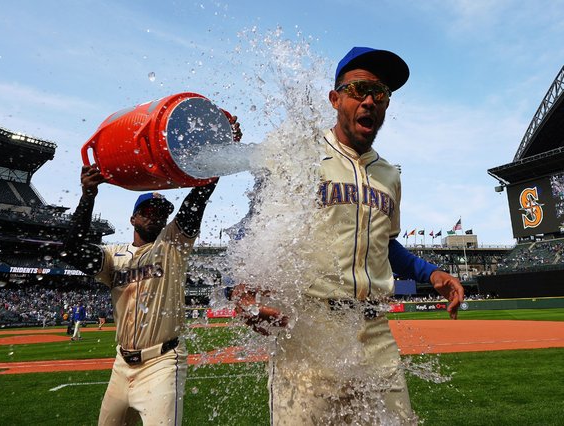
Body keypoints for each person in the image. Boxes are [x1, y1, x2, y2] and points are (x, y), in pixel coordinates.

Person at [231, 47, 464, 425]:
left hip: (374, 332)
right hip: (310, 329)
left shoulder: (389, 175)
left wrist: (429, 273)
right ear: (335, 98)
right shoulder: (299, 156)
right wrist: (241, 286)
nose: (370, 99)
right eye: (359, 89)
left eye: (380, 92)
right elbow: (254, 229)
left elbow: (384, 244)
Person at [61, 112, 240, 424]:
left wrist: (218, 154)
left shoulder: (172, 245)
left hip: (162, 362)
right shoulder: (113, 256)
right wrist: (88, 196)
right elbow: (72, 250)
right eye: (147, 211)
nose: (155, 216)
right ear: (132, 218)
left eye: (161, 211)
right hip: (121, 365)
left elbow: (197, 198)